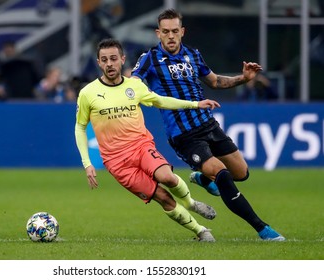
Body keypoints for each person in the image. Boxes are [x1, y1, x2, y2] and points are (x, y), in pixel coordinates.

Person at [131, 9, 285, 241]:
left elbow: (214, 81)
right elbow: (132, 84)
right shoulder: (149, 59)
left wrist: (243, 78)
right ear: (158, 33)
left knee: (241, 173)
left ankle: (202, 179)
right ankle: (262, 229)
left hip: (208, 125)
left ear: (182, 32)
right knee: (222, 175)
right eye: (165, 32)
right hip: (184, 135)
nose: (170, 36)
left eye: (175, 31)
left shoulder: (193, 54)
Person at [75, 38, 221, 242]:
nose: (109, 64)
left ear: (122, 60)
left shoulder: (135, 86)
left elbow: (161, 100)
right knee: (162, 198)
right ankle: (200, 231)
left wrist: (195, 104)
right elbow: (80, 127)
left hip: (141, 146)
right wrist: (87, 163)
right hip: (117, 162)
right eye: (105, 60)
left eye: (114, 59)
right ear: (99, 63)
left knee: (167, 177)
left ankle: (190, 203)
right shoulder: (87, 93)